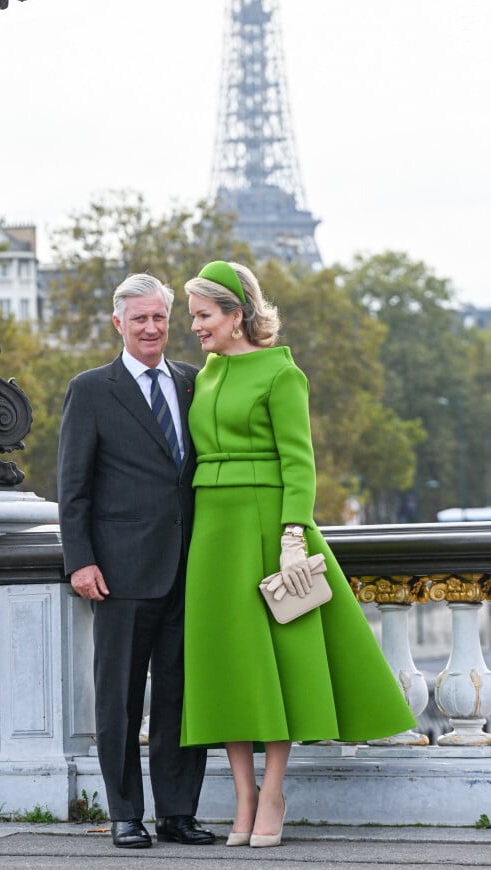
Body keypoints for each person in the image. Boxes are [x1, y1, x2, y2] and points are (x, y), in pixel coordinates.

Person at [181, 260, 417, 848]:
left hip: (266, 527)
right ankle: (241, 795)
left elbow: (299, 462)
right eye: (193, 317)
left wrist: (292, 535)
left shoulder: (282, 373)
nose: (195, 327)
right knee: (227, 665)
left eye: (203, 316)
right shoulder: (204, 376)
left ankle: (273, 793)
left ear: (236, 316)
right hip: (211, 529)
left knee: (275, 660)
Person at [57, 273, 215, 850]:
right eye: (140, 318)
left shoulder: (198, 384)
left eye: (161, 318)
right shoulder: (92, 389)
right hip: (119, 572)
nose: (152, 328)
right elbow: (73, 486)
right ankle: (125, 813)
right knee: (119, 698)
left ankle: (178, 813)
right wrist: (80, 560)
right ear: (118, 324)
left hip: (191, 566)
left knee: (181, 695)